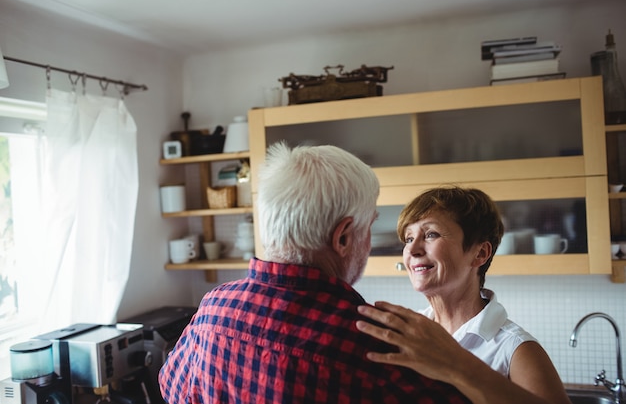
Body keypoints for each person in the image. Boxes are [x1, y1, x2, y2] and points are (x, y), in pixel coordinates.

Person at [158, 143, 471, 404]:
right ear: (344, 237)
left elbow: (170, 386)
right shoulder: (377, 343)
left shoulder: (214, 308)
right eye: (370, 226)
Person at [356, 186, 572, 404]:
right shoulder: (408, 332)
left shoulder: (517, 350)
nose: (412, 250)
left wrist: (456, 364)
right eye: (409, 238)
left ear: (480, 254)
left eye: (431, 234)